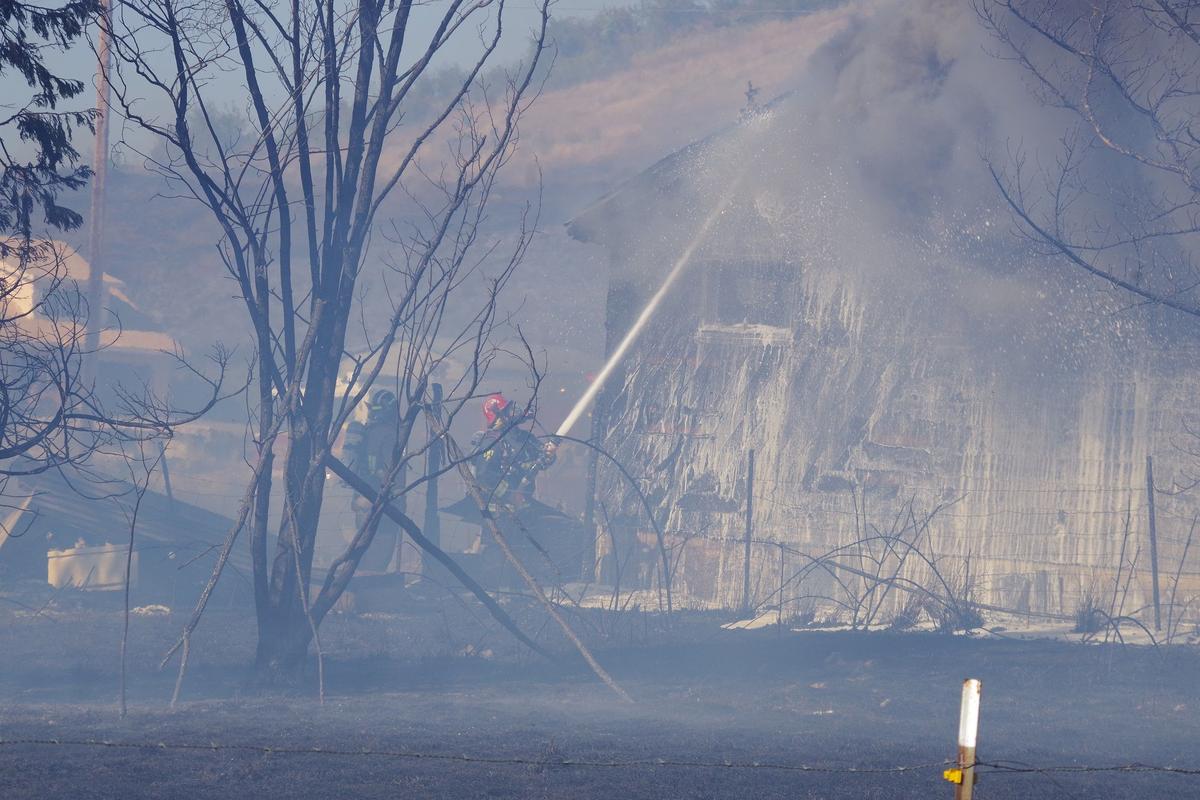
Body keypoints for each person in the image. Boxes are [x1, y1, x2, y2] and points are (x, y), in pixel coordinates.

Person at [342, 388, 403, 573]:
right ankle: (368, 586)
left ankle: (353, 583)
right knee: (378, 559)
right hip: (382, 505)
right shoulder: (390, 435)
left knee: (363, 553)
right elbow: (389, 474)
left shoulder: (367, 432)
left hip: (361, 500)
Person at [470, 392, 557, 513]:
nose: (512, 413)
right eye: (506, 411)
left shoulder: (524, 437)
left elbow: (542, 461)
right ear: (499, 417)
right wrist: (510, 494)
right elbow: (485, 476)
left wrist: (549, 455)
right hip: (499, 510)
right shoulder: (492, 442)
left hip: (523, 503)